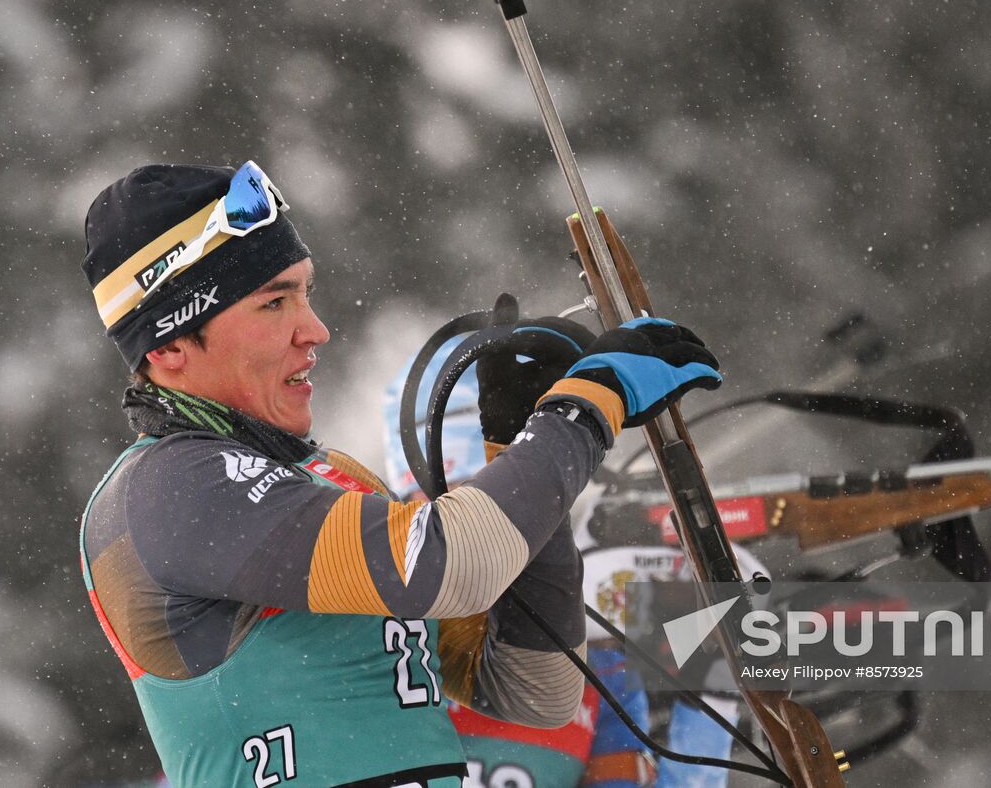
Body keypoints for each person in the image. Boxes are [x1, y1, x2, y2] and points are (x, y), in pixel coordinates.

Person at [76, 161, 722, 788]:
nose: (316, 330)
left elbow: (533, 693)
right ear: (167, 347)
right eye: (274, 304)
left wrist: (518, 443)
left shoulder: (334, 478)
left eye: (307, 293)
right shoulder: (165, 490)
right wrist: (583, 412)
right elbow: (455, 563)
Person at [383, 316, 755, 788]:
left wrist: (711, 668)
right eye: (450, 504)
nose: (488, 533)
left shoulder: (591, 656)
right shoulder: (372, 633)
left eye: (508, 502)